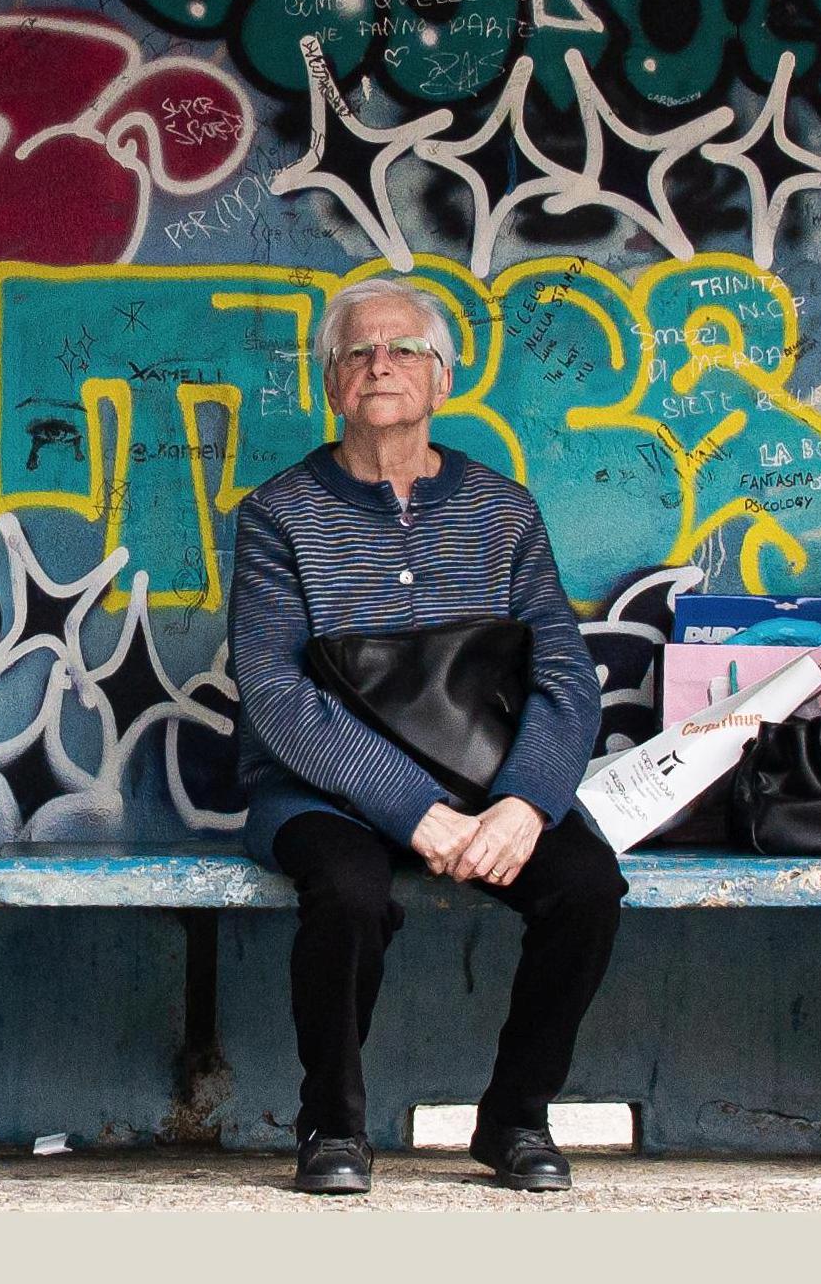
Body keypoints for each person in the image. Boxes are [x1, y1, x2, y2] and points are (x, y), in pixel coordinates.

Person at [228, 276, 625, 1194]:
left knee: (587, 884)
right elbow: (277, 692)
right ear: (331, 385)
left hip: (486, 783)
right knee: (350, 891)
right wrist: (414, 812)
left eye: (405, 349)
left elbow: (563, 671)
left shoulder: (502, 509)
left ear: (441, 379)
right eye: (358, 352)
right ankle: (331, 1125)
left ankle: (515, 1119)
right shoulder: (279, 514)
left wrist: (527, 801)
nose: (381, 364)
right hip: (318, 791)